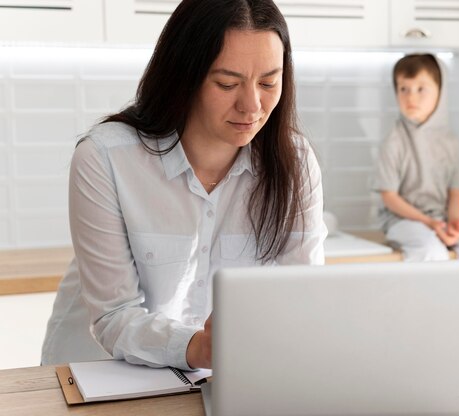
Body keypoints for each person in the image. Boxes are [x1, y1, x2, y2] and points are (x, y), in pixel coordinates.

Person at [41, 0, 327, 371]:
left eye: (269, 82)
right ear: (184, 76)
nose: (252, 105)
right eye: (227, 83)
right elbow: (114, 315)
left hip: (214, 377)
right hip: (96, 371)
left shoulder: (295, 162)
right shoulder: (106, 157)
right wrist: (199, 348)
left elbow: (303, 296)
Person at [374, 53, 459, 263]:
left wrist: (454, 223)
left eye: (420, 89)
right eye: (403, 88)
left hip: (440, 219)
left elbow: (455, 194)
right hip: (401, 221)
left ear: (440, 92)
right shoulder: (393, 141)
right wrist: (429, 223)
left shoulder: (451, 143)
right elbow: (389, 198)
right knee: (430, 251)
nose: (411, 97)